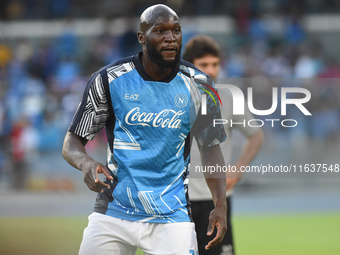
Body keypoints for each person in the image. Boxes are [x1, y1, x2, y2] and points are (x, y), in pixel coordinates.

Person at [62, 5, 227, 255]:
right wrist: (85, 163)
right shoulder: (108, 80)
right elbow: (71, 142)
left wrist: (221, 205)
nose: (170, 38)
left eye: (176, 31)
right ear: (142, 37)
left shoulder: (201, 85)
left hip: (172, 215)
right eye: (160, 31)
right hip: (113, 212)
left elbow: (211, 148)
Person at [183, 35, 264, 255]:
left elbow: (256, 136)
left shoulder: (229, 98)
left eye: (215, 64)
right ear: (190, 67)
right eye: (204, 65)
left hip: (217, 199)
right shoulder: (174, 99)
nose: (211, 70)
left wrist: (237, 170)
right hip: (179, 200)